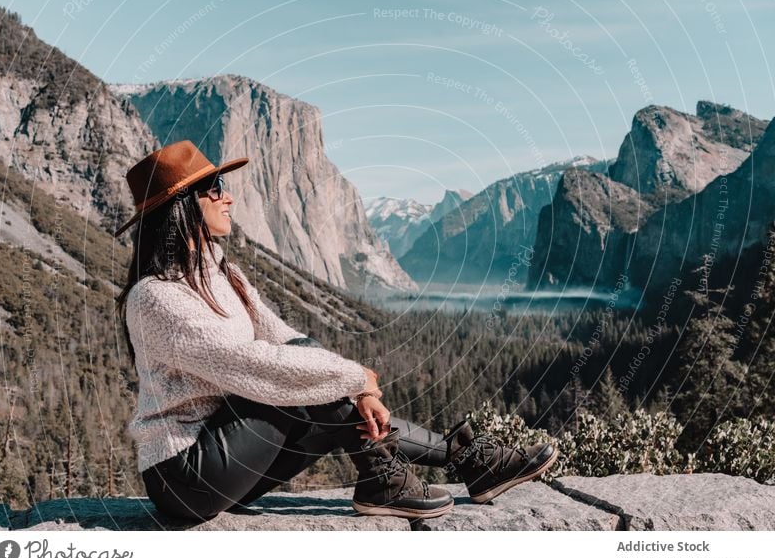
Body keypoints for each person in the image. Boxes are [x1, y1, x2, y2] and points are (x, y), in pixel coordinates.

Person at [114, 140, 558, 523]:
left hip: (229, 458)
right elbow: (246, 364)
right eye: (216, 189)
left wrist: (352, 383)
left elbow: (285, 338)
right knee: (304, 385)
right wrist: (351, 378)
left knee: (316, 378)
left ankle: (458, 461)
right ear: (183, 205)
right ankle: (433, 469)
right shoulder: (155, 297)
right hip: (184, 473)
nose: (228, 198)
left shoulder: (221, 272)